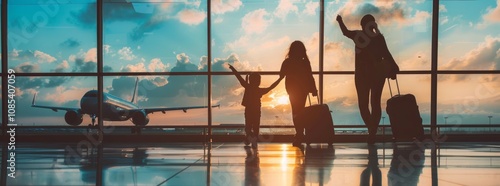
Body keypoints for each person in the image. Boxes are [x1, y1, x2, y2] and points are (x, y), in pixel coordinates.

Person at [336, 14, 399, 144]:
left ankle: (371, 130)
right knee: (375, 103)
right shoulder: (379, 38)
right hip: (377, 75)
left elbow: (345, 32)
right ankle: (372, 131)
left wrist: (340, 21)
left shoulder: (359, 36)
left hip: (361, 76)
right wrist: (394, 66)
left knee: (363, 104)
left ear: (362, 25)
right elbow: (386, 53)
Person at [229, 64, 282, 148]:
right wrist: (280, 79)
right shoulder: (259, 90)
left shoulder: (248, 87)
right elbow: (271, 87)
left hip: (249, 109)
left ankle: (250, 138)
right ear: (259, 81)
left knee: (248, 127)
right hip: (257, 110)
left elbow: (239, 77)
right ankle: (253, 139)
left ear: (250, 80)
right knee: (256, 126)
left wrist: (233, 69)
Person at [279, 40, 318, 147]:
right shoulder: (305, 62)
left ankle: (299, 133)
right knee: (301, 111)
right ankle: (301, 133)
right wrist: (313, 89)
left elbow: (281, 74)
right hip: (303, 90)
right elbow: (310, 76)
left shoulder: (287, 62)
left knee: (295, 112)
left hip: (292, 90)